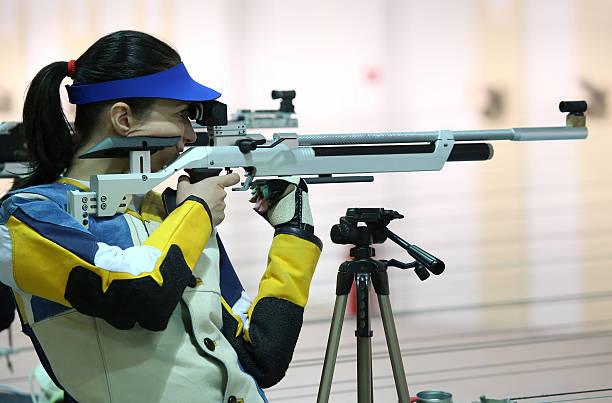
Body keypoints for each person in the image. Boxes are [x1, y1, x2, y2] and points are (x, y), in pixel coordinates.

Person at [0, 30, 322, 402]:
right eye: (182, 115)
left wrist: (294, 233)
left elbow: (262, 356)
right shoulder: (26, 216)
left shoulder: (167, 212)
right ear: (123, 119)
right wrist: (196, 211)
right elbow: (137, 294)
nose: (189, 135)